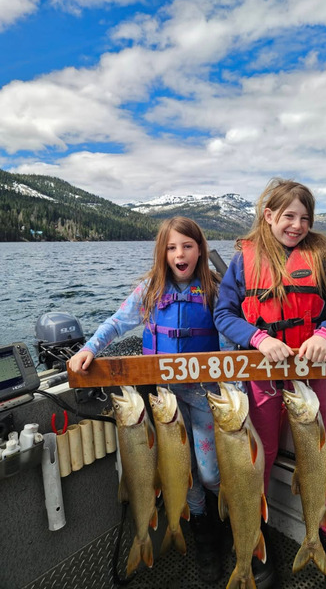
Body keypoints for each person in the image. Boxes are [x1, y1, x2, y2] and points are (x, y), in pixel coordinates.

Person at [214, 179, 326, 589]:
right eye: (288, 216)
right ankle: (252, 548)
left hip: (310, 379)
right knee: (256, 462)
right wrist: (258, 338)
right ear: (269, 215)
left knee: (319, 461)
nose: (297, 225)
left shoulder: (323, 256)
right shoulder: (242, 261)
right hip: (263, 380)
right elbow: (224, 315)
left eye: (305, 218)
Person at [68, 216, 224, 583]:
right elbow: (116, 323)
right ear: (162, 253)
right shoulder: (150, 290)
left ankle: (226, 521)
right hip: (166, 399)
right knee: (182, 472)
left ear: (200, 249)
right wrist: (89, 348)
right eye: (171, 248)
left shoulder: (215, 289)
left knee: (210, 471)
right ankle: (203, 536)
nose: (179, 254)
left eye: (187, 246)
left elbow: (232, 335)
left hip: (206, 396)